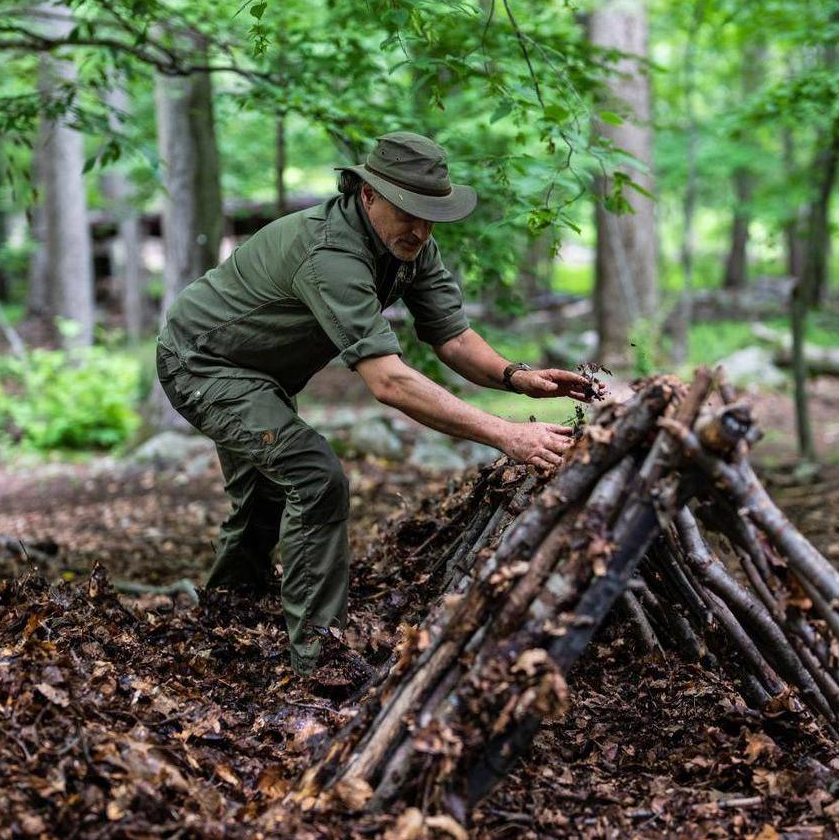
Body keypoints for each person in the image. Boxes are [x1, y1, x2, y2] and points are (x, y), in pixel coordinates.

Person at [155, 131, 598, 675]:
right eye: (409, 211)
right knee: (314, 477)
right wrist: (507, 434)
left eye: (432, 213)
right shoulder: (331, 254)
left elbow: (453, 339)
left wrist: (517, 377)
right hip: (203, 363)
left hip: (263, 376)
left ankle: (223, 620)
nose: (422, 227)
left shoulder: (409, 244)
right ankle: (319, 659)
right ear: (368, 195)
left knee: (265, 500)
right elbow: (388, 381)